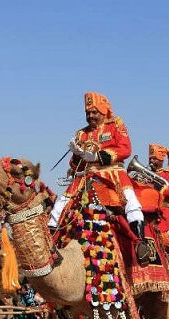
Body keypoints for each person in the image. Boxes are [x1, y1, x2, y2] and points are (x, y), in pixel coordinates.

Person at [48, 92, 147, 261]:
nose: (90, 116)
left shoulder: (115, 124)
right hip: (86, 177)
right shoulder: (81, 133)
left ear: (103, 111)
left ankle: (141, 243)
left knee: (131, 202)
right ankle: (49, 242)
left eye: (94, 112)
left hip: (112, 173)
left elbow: (125, 149)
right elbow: (74, 165)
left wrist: (97, 157)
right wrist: (78, 154)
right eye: (88, 113)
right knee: (59, 205)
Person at [136, 144, 169, 279]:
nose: (151, 161)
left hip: (164, 212)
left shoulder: (168, 175)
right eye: (150, 158)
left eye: (155, 159)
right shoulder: (144, 173)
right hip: (146, 211)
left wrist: (159, 186)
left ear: (162, 160)